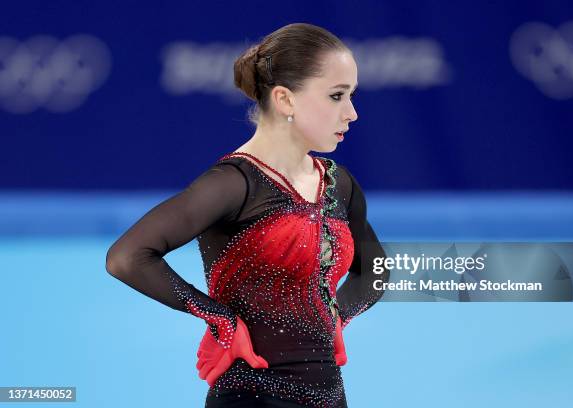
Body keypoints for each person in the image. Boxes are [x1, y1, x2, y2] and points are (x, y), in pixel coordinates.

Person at [105, 22, 389, 408]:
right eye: (337, 96)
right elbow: (127, 257)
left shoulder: (339, 184)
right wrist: (221, 320)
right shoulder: (234, 184)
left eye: (352, 95)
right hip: (251, 395)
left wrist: (338, 313)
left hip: (330, 395)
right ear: (286, 100)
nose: (352, 113)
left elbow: (375, 268)